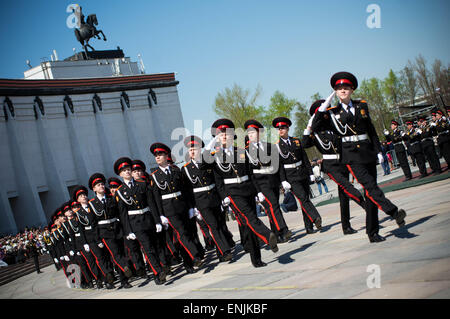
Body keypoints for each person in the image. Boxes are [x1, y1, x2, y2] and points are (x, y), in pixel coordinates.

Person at [320, 71, 406, 243]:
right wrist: (322, 109)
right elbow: (315, 127)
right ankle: (393, 211)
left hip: (367, 152)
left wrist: (379, 152)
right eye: (339, 88)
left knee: (370, 192)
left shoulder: (362, 106)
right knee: (370, 185)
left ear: (352, 90)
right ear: (335, 92)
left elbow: (371, 130)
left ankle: (372, 232)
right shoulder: (331, 112)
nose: (343, 90)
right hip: (350, 155)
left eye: (346, 87)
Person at [203, 118, 278, 268]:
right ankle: (267, 235)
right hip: (232, 193)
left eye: (227, 134)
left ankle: (256, 259)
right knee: (249, 217)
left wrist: (258, 191)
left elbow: (251, 173)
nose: (225, 136)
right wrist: (224, 196)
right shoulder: (214, 154)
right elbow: (205, 166)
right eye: (221, 134)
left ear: (232, 136)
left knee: (249, 223)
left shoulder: (242, 151)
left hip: (247, 188)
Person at [306, 98, 365, 235]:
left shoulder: (335, 126)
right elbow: (305, 144)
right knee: (348, 187)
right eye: (324, 112)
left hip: (343, 162)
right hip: (330, 165)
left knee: (344, 196)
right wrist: (309, 127)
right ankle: (366, 205)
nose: (327, 114)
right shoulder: (315, 133)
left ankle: (346, 226)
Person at [149, 145, 205, 274]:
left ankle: (188, 264)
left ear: (166, 156)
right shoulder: (155, 176)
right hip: (169, 209)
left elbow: (186, 191)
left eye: (160, 155)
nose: (157, 157)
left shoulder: (176, 171)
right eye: (156, 156)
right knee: (182, 233)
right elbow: (156, 199)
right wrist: (160, 216)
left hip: (182, 206)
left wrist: (191, 207)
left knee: (186, 234)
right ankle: (195, 255)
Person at [113, 157, 168, 285]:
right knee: (148, 249)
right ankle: (158, 273)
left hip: (148, 218)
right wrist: (128, 231)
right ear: (120, 174)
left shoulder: (142, 185)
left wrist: (157, 221)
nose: (127, 172)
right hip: (135, 223)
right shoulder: (120, 192)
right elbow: (123, 214)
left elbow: (152, 204)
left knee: (157, 246)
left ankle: (163, 267)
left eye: (128, 169)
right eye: (124, 171)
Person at [182, 135, 234, 262]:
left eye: (195, 149)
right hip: (201, 202)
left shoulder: (209, 162)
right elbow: (187, 191)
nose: (192, 152)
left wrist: (223, 198)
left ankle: (221, 251)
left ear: (200, 149)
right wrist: (193, 207)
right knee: (213, 226)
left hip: (214, 197)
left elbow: (217, 181)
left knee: (221, 225)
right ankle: (225, 251)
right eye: (190, 150)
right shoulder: (186, 169)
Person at [244, 119, 292, 243]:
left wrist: (283, 180)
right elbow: (250, 173)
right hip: (261, 183)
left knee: (272, 208)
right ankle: (284, 230)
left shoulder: (270, 146)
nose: (250, 135)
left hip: (272, 180)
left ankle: (276, 235)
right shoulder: (246, 152)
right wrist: (257, 191)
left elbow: (278, 165)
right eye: (249, 133)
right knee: (274, 206)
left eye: (253, 132)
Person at [272, 116, 323, 234]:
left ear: (288, 128)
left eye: (283, 128)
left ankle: (309, 227)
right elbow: (279, 166)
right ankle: (316, 218)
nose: (281, 130)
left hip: (302, 172)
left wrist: (310, 173)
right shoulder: (277, 146)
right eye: (278, 128)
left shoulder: (296, 141)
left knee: (306, 199)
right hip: (291, 176)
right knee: (303, 198)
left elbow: (304, 158)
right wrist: (283, 180)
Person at [88, 173, 133, 289]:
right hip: (104, 233)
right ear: (94, 189)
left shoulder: (111, 199)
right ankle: (125, 266)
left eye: (102, 184)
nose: (101, 186)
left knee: (121, 253)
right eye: (98, 185)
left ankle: (124, 281)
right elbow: (93, 225)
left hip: (117, 229)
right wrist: (97, 239)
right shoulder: (92, 204)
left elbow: (119, 214)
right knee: (115, 253)